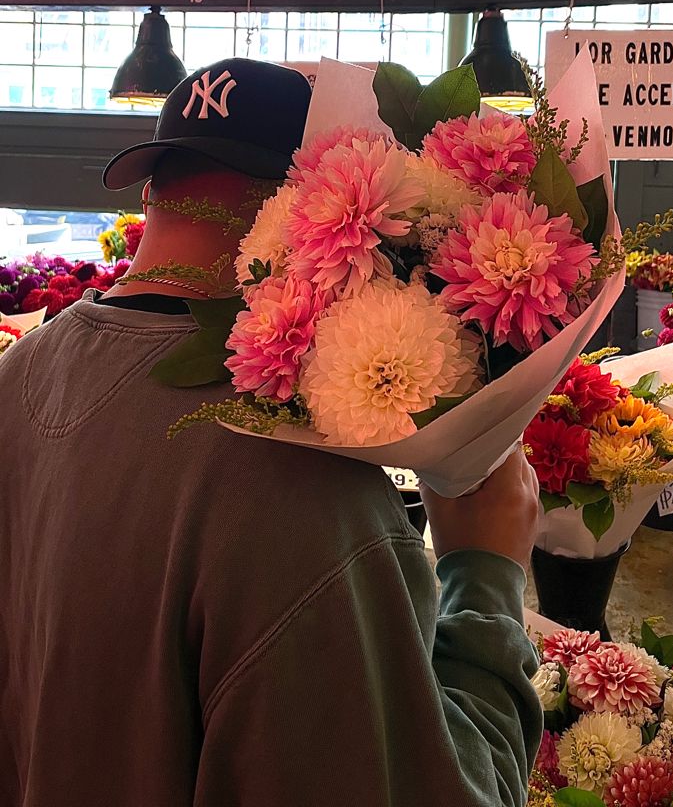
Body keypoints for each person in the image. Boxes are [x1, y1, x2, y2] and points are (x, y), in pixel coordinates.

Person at [0, 56, 542, 807]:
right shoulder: (301, 483)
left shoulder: (16, 375)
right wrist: (485, 571)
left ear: (154, 188)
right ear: (326, 215)